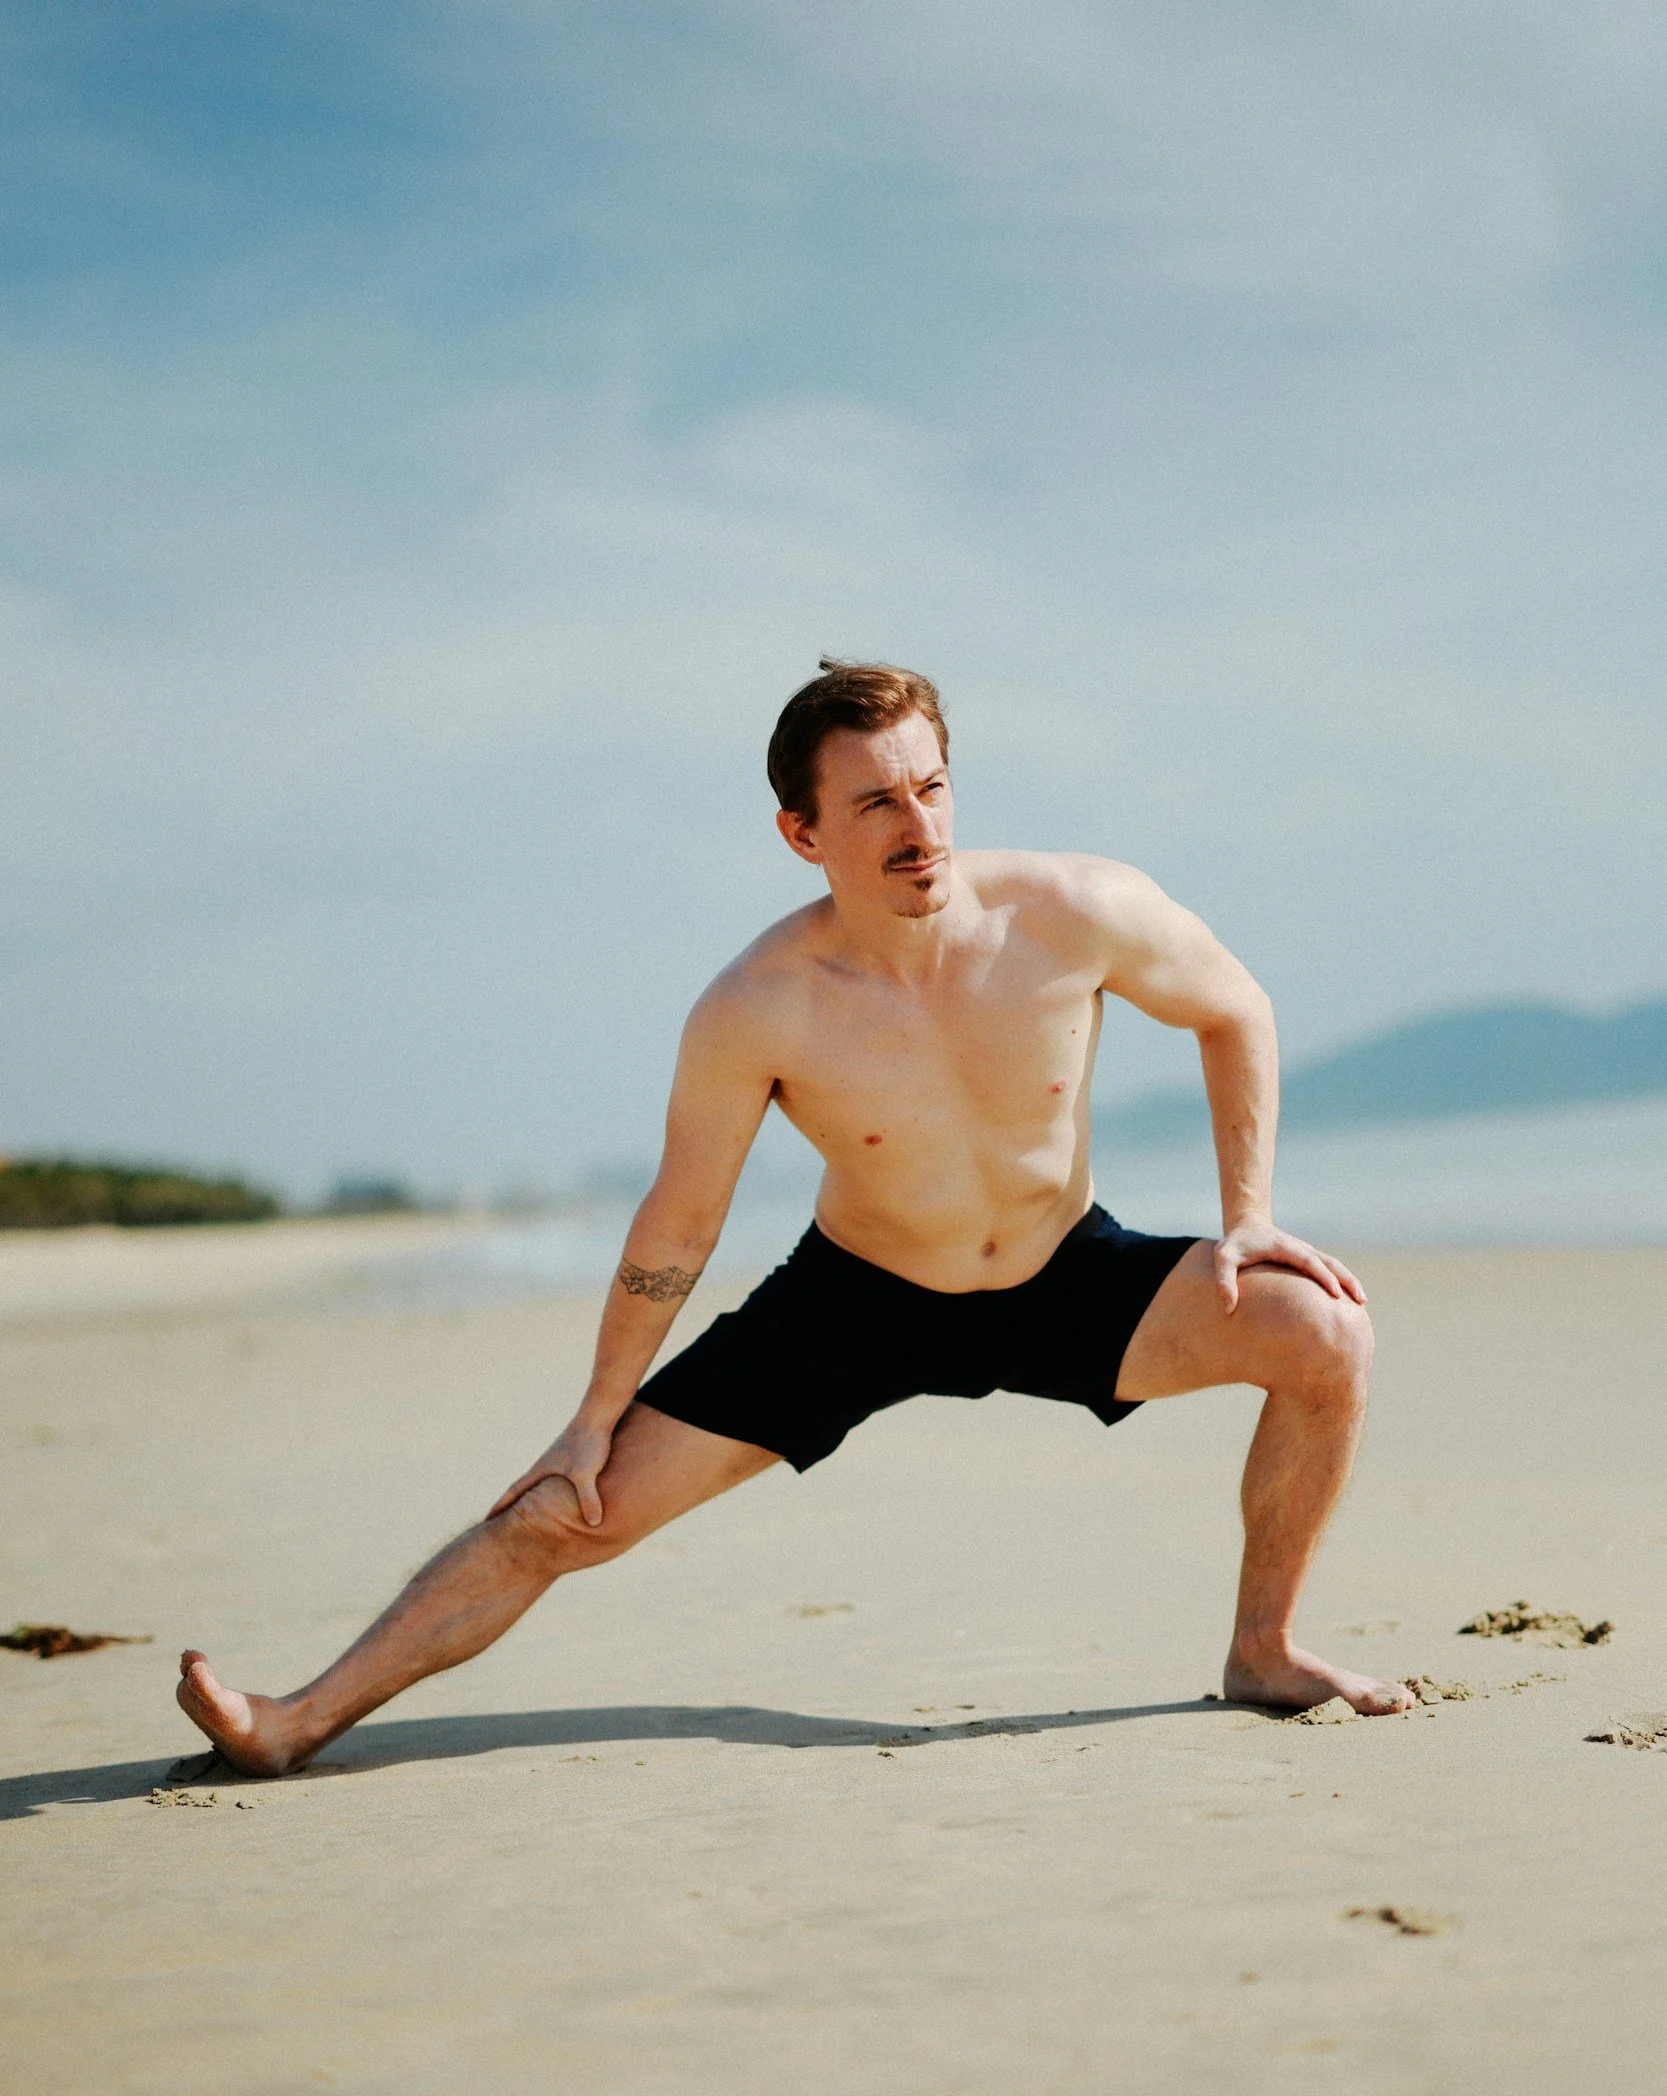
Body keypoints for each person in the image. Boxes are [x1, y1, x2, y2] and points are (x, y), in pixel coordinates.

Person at [176, 658, 1411, 1774]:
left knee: (1324, 1337)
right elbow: (679, 1221)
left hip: (1059, 1276)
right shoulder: (757, 1005)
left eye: (930, 788)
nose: (918, 827)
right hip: (855, 1303)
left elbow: (1231, 1007)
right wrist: (592, 1419)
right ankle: (294, 1720)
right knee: (570, 1511)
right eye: (874, 803)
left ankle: (1262, 1649)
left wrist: (1245, 1216)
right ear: (799, 832)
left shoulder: (1072, 910)